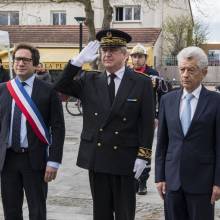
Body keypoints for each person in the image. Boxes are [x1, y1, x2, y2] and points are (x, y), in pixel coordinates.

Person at [55, 29, 155, 220]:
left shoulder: (141, 82)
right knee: (100, 213)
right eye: (104, 49)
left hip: (125, 158)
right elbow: (60, 86)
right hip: (98, 157)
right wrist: (76, 63)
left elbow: (147, 123)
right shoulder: (90, 79)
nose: (107, 54)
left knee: (125, 213)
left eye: (114, 49)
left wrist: (144, 156)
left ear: (125, 55)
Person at [0, 43, 65, 220]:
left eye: (25, 60)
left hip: (35, 159)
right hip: (7, 159)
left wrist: (54, 161)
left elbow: (58, 128)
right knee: (11, 210)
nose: (20, 63)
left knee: (37, 210)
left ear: (35, 64)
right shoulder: (3, 89)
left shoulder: (49, 91)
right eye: (17, 59)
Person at [155, 46, 220, 220]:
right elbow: (162, 143)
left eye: (191, 70)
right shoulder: (167, 100)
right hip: (172, 180)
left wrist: (218, 182)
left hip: (202, 182)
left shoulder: (216, 102)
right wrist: (159, 176)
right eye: (182, 69)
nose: (185, 75)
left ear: (204, 72)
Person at [130, 43, 169, 195]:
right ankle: (132, 178)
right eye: (134, 56)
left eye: (140, 56)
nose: (137, 59)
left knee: (145, 148)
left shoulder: (153, 74)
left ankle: (143, 182)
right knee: (131, 149)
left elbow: (163, 96)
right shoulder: (127, 73)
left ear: (145, 58)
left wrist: (158, 116)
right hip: (130, 119)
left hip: (148, 119)